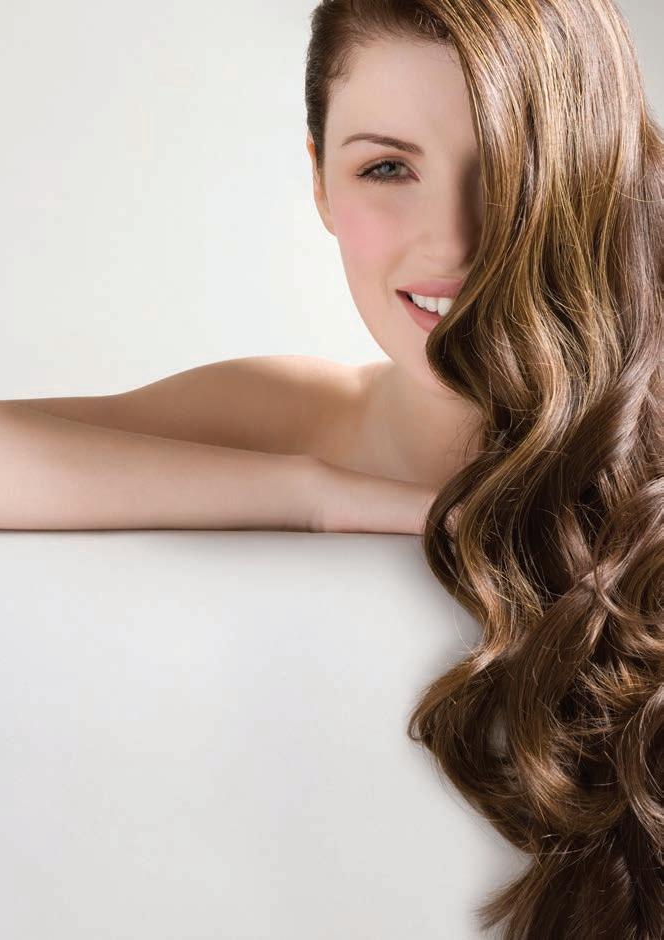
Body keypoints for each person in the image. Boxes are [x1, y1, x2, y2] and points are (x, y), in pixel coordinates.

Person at [303, 1, 661, 938]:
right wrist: (320, 495)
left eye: (507, 169)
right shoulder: (302, 416)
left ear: (595, 173)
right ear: (320, 183)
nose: (455, 241)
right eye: (387, 168)